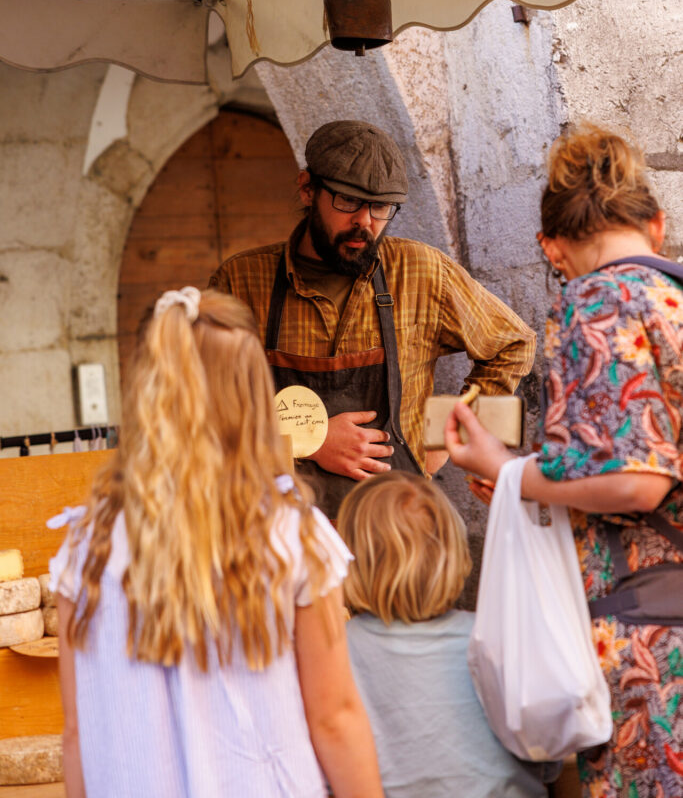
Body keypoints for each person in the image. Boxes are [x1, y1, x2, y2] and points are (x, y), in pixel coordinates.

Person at [50, 287, 383, 798]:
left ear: (145, 393)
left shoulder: (85, 548)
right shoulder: (291, 535)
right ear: (251, 397)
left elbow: (78, 733)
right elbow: (334, 717)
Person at [445, 127, 683, 798]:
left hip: (653, 643)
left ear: (552, 246)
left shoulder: (595, 301)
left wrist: (510, 471)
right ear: (656, 225)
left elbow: (635, 480)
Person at [209, 119, 535, 518]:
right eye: (348, 201)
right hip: (284, 530)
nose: (365, 221)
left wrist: (448, 436)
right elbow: (206, 407)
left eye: (380, 207)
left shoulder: (421, 271)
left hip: (399, 528)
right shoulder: (241, 282)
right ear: (307, 189)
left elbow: (513, 345)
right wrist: (308, 441)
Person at [336, 471, 551, 797]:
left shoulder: (337, 650)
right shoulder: (493, 637)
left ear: (349, 559)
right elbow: (547, 751)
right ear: (456, 553)